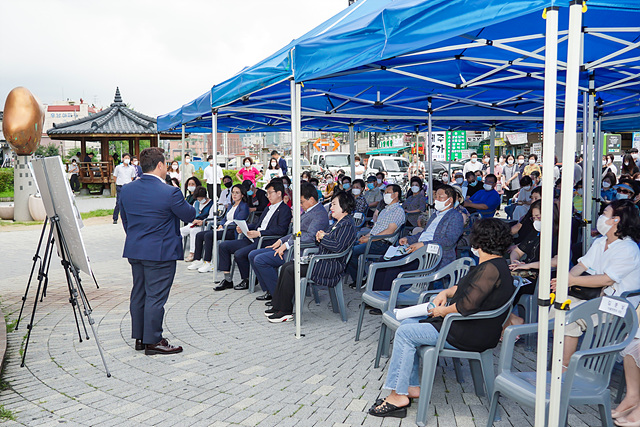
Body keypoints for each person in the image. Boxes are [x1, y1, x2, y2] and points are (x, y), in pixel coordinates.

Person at [368, 218, 515, 418]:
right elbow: (466, 288)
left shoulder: (490, 268)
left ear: (478, 241)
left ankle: (397, 395)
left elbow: (467, 305)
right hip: (469, 326)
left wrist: (440, 312)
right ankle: (409, 387)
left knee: (405, 331)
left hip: (468, 332)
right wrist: (445, 292)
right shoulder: (494, 265)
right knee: (409, 323)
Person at [119, 147, 196, 355]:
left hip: (136, 249)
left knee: (139, 293)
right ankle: (153, 341)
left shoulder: (126, 190)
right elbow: (190, 215)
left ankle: (140, 338)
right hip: (160, 252)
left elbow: (126, 221)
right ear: (160, 165)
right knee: (155, 297)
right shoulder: (170, 192)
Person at [550, 199, 640, 371]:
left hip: (617, 306)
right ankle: (558, 361)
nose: (600, 217)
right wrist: (565, 279)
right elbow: (582, 265)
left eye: (604, 213)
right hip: (596, 298)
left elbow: (607, 279)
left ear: (616, 220)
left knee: (570, 318)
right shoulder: (600, 241)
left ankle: (563, 368)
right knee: (558, 307)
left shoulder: (628, 249)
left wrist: (572, 281)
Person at [264, 191, 357, 322]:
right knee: (287, 266)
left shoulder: (346, 224)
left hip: (330, 266)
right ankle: (278, 307)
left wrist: (323, 237)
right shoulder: (338, 223)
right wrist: (322, 235)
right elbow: (331, 241)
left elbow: (338, 247)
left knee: (291, 270)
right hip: (323, 262)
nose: (331, 208)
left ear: (345, 205)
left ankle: (285, 311)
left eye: (334, 204)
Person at [371, 185, 464, 294]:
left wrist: (423, 244)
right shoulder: (435, 215)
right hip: (419, 250)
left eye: (440, 197)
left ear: (450, 200)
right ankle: (376, 294)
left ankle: (385, 298)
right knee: (385, 259)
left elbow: (449, 240)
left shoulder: (455, 216)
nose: (436, 200)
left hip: (434, 255)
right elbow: (424, 234)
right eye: (435, 197)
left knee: (394, 265)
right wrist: (408, 239)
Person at [248, 182, 329, 301]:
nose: (300, 205)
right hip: (293, 247)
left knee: (260, 260)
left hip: (300, 252)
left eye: (301, 202)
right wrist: (281, 241)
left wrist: (287, 245)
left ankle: (279, 297)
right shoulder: (310, 211)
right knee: (252, 255)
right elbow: (297, 233)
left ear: (311, 199)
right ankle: (271, 291)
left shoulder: (319, 214)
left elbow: (310, 237)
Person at [214, 180, 292, 291]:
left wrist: (260, 233)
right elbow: (258, 224)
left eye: (270, 193)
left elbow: (280, 230)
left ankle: (247, 279)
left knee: (240, 254)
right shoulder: (268, 208)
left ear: (279, 193)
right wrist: (245, 227)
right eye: (267, 193)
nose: (268, 196)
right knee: (224, 246)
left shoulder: (284, 210)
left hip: (266, 240)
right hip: (254, 237)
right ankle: (227, 280)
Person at [506, 200, 559, 328]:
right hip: (525, 271)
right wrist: (515, 261)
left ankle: (507, 319)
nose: (536, 220)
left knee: (505, 287)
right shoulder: (536, 233)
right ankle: (507, 319)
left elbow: (557, 262)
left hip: (542, 278)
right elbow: (517, 252)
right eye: (534, 217)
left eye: (539, 217)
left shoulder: (559, 235)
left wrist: (529, 265)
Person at [346, 185, 406, 284]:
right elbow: (376, 228)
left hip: (382, 243)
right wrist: (366, 237)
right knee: (347, 247)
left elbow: (390, 231)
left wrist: (370, 239)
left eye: (387, 192)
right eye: (385, 192)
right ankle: (360, 277)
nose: (385, 195)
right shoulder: (385, 210)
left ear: (396, 195)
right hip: (373, 240)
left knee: (351, 252)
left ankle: (360, 280)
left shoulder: (398, 211)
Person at [188, 184, 250, 273]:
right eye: (233, 193)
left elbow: (238, 221)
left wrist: (224, 226)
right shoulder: (231, 205)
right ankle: (198, 260)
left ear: (242, 195)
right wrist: (221, 224)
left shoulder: (244, 207)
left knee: (209, 235)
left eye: (237, 193)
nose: (234, 195)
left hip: (232, 231)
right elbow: (225, 218)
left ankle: (208, 262)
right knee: (199, 235)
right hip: (224, 228)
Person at [180, 187, 213, 262]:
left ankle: (192, 253)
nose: (199, 200)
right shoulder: (196, 203)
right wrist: (193, 220)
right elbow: (193, 214)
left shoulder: (212, 204)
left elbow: (211, 218)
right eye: (198, 199)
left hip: (205, 225)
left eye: (200, 198)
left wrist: (203, 222)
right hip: (194, 224)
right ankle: (179, 250)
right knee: (180, 231)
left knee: (193, 231)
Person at [112, 152, 137, 224]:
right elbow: (115, 176)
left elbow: (132, 177)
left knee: (130, 201)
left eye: (128, 158)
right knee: (119, 202)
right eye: (126, 158)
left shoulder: (132, 168)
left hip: (128, 186)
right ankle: (115, 218)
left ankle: (129, 217)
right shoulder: (118, 167)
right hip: (120, 186)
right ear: (122, 159)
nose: (127, 160)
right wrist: (118, 182)